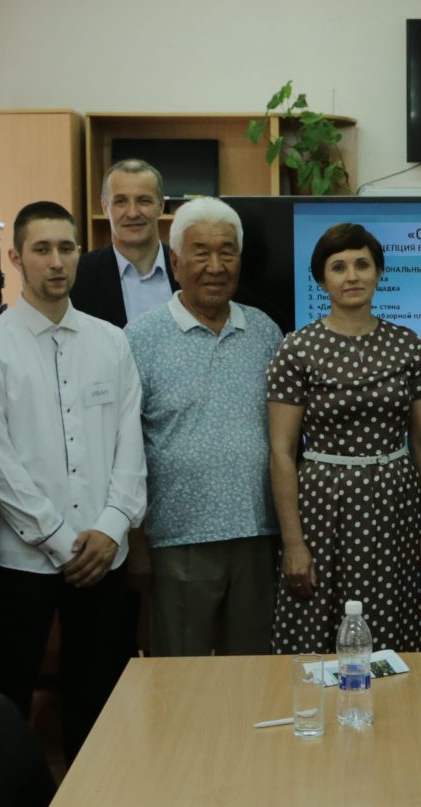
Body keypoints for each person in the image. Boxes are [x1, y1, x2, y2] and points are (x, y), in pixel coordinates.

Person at [0, 200, 146, 759]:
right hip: (23, 560)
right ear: (16, 257)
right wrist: (60, 540)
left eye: (67, 248)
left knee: (101, 702)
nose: (57, 261)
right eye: (42, 249)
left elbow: (130, 444)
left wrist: (112, 525)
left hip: (104, 553)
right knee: (9, 701)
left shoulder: (111, 341)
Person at [266, 223, 421, 653]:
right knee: (322, 626)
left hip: (396, 507)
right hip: (324, 509)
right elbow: (281, 452)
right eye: (338, 266)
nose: (352, 276)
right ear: (321, 278)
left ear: (379, 273)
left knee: (396, 621)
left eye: (362, 265)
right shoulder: (297, 349)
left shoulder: (407, 345)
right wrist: (293, 541)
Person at [125, 197, 282, 655]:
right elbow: (123, 445)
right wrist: (135, 541)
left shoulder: (266, 332)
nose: (215, 266)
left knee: (253, 679)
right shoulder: (139, 338)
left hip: (257, 534)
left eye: (227, 252)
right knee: (180, 678)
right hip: (176, 539)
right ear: (175, 262)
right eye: (200, 252)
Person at [70, 158, 178, 329]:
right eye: (120, 201)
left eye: (144, 200)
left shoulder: (187, 269)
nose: (133, 213)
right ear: (105, 208)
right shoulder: (78, 275)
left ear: (161, 206)